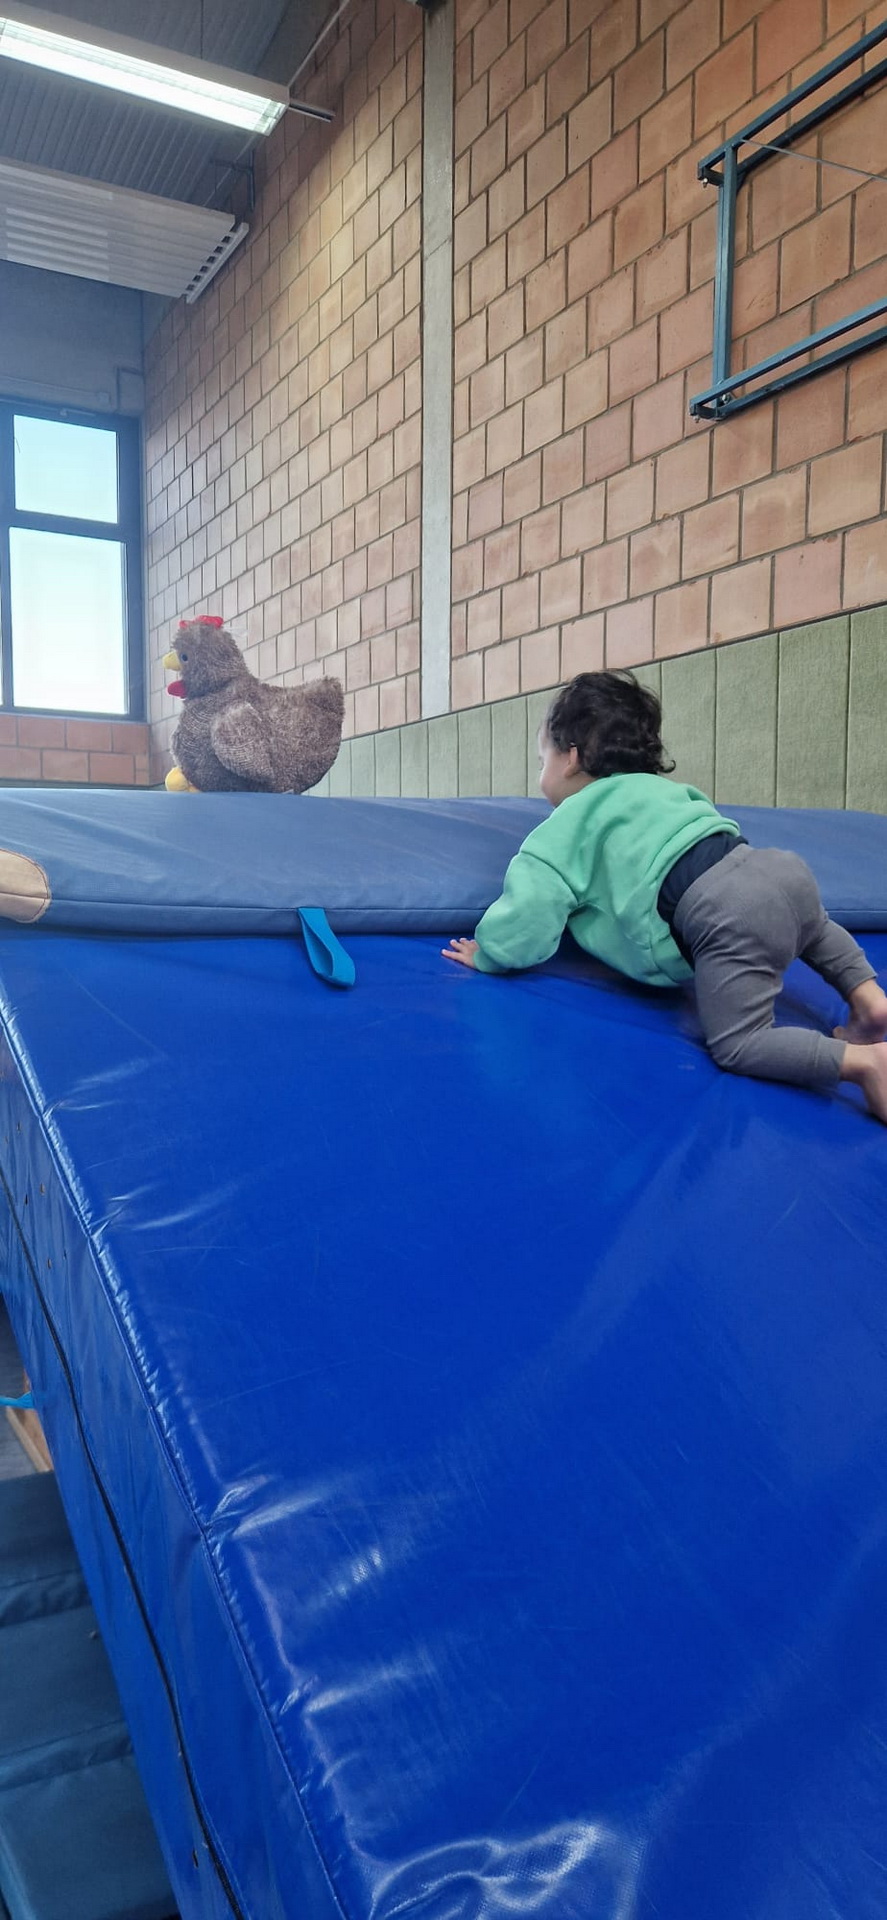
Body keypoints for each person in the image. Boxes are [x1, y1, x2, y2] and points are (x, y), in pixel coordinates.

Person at [443, 670, 887, 1124]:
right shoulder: (666, 791)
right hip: (778, 869)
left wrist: (492, 953)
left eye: (542, 760)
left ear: (571, 758)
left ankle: (865, 1062)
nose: (542, 773)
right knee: (814, 927)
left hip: (723, 912)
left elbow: (531, 907)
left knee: (740, 1044)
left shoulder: (566, 823)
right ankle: (870, 997)